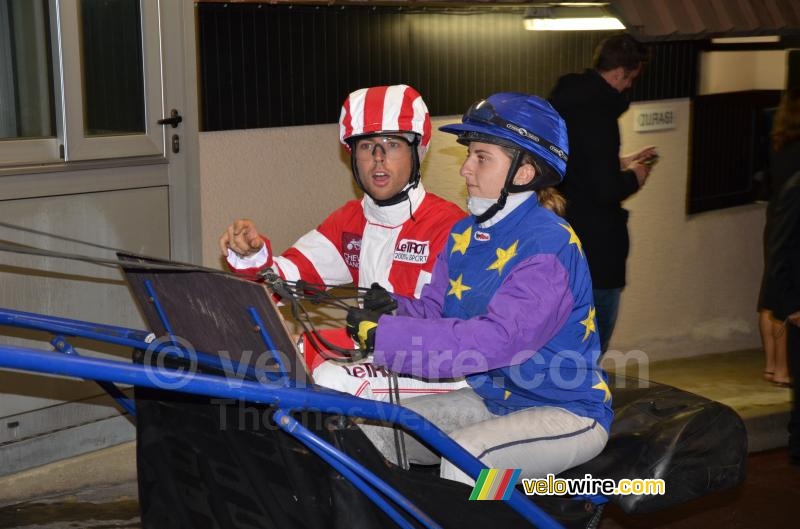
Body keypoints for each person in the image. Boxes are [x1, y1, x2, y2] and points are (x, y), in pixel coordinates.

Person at [346, 93, 612, 484]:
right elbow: (438, 312)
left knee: (466, 461)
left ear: (523, 172)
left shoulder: (549, 243)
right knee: (371, 431)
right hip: (495, 400)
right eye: (469, 155)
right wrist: (394, 311)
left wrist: (389, 336)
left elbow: (498, 340)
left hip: (567, 409)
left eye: (481, 157)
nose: (465, 169)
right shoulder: (463, 234)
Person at [219, 84, 467, 400]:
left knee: (331, 378)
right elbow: (280, 284)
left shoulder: (451, 226)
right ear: (352, 156)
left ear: (417, 151)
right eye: (366, 146)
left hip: (443, 366)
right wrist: (252, 256)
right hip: (376, 353)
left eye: (392, 144)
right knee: (264, 355)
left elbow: (458, 330)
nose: (378, 159)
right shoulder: (351, 220)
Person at [549, 34, 657, 353]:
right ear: (621, 73)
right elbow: (604, 189)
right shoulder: (600, 113)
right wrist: (635, 177)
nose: (628, 88)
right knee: (591, 343)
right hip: (597, 247)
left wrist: (618, 163)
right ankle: (585, 401)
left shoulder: (564, 99)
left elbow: (575, 164)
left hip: (563, 237)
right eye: (631, 79)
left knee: (562, 336)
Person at [760, 88, 800, 388]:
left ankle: (772, 367)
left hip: (775, 217)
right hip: (790, 220)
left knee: (768, 296)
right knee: (783, 295)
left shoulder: (779, 141)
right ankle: (784, 369)